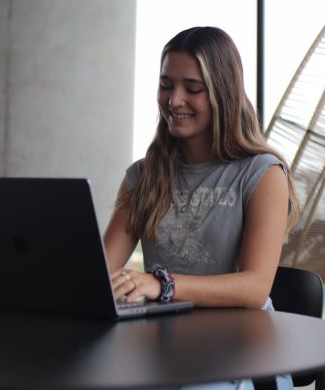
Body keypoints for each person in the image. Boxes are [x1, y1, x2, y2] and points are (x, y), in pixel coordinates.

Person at [103, 26, 299, 390]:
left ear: (223, 93)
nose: (174, 100)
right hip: (165, 351)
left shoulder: (262, 174)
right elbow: (99, 274)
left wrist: (158, 283)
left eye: (192, 89)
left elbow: (255, 287)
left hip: (245, 354)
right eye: (166, 85)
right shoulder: (142, 177)